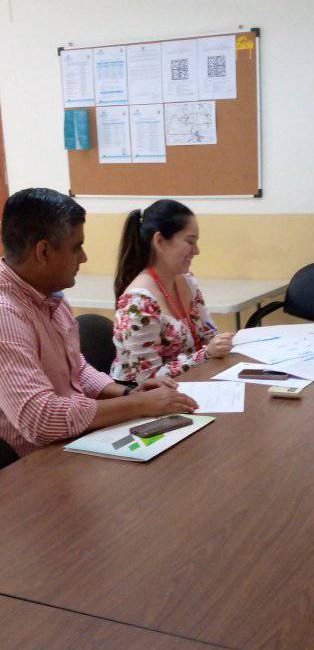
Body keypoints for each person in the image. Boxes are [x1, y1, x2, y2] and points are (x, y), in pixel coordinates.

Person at [0, 188, 198, 458]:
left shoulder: (50, 294)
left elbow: (77, 370)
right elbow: (40, 419)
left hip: (76, 439)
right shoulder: (6, 314)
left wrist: (127, 394)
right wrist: (140, 404)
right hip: (35, 463)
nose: (83, 258)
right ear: (43, 252)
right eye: (76, 247)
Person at [111, 199, 233, 384]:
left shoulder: (187, 281)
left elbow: (208, 335)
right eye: (190, 241)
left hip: (191, 383)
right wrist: (206, 354)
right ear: (159, 241)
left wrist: (221, 343)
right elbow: (148, 379)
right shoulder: (138, 302)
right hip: (145, 395)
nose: (197, 251)